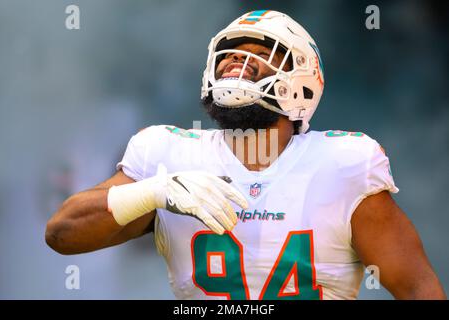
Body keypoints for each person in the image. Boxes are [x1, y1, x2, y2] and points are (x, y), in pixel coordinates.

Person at [45, 10, 446, 300]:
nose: (238, 60)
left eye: (260, 52)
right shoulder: (166, 154)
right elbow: (62, 234)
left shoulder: (345, 164)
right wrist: (153, 191)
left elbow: (416, 288)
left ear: (301, 82)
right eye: (231, 54)